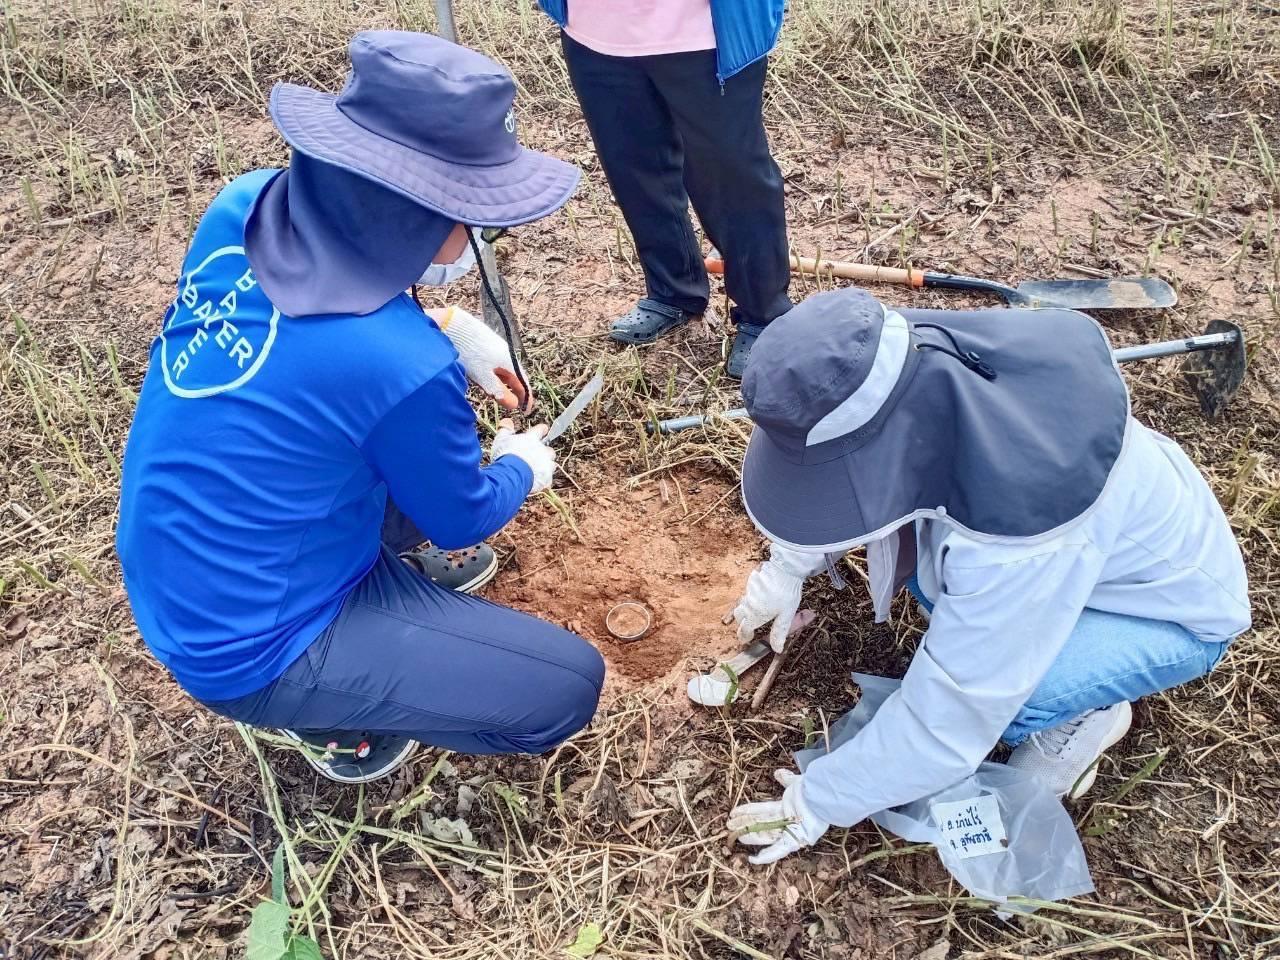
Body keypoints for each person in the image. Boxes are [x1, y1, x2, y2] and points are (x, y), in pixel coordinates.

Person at [116, 31, 605, 784]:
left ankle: (386, 606)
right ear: (415, 211)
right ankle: (338, 713)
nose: (474, 235)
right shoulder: (397, 364)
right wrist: (519, 466)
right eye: (471, 214)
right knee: (567, 687)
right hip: (255, 643)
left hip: (185, 561)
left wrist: (448, 323)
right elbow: (461, 516)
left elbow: (309, 354)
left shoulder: (243, 205)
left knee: (355, 452)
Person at [722, 288, 1251, 863]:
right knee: (929, 582)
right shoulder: (908, 358)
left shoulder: (1018, 531)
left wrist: (821, 799)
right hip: (1097, 553)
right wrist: (788, 566)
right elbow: (843, 464)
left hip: (1163, 612)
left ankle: (1088, 715)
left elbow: (950, 719)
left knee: (1018, 695)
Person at [536, 0, 793, 378]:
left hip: (704, 32)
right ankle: (674, 290)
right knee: (634, 168)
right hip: (595, 29)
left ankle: (764, 315)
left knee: (732, 176)